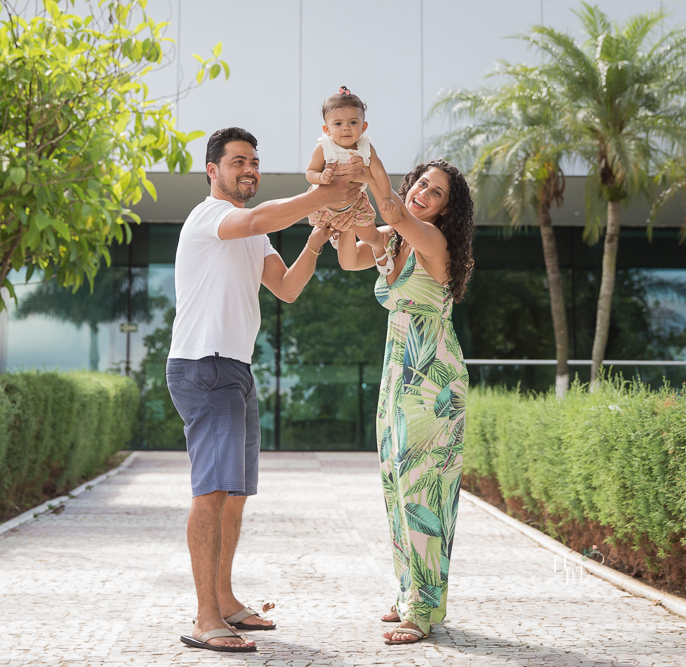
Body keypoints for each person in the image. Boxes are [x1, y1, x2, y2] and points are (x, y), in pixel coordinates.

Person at [167, 127, 366, 653]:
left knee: (234, 494)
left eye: (254, 161)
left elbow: (287, 288)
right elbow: (258, 218)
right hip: (204, 366)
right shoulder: (210, 216)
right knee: (212, 492)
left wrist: (318, 236)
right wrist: (324, 194)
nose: (249, 169)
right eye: (238, 161)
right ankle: (205, 618)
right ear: (212, 170)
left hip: (235, 369)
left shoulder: (254, 236)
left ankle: (225, 600)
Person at [334, 159, 474, 646]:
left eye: (435, 193)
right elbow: (349, 257)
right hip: (399, 373)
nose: (423, 194)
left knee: (423, 492)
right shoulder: (394, 239)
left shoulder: (432, 241)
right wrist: (345, 205)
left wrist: (364, 155)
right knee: (397, 487)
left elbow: (390, 209)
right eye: (422, 184)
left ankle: (423, 608)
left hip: (432, 381)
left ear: (446, 210)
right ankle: (410, 592)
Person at [305, 87, 396, 230]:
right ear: (327, 129)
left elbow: (380, 173)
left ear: (363, 127)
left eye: (353, 122)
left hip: (355, 203)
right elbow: (310, 172)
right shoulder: (324, 147)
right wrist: (321, 177)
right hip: (323, 203)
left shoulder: (366, 148)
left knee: (370, 235)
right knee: (321, 233)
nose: (346, 127)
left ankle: (371, 244)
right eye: (338, 123)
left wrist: (387, 197)